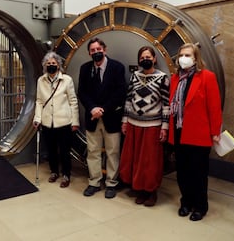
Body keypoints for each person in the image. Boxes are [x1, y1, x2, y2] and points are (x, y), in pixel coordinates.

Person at [168, 43, 222, 221]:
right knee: (182, 172)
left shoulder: (207, 77)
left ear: (196, 58)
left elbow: (214, 107)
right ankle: (186, 202)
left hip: (199, 134)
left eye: (188, 55)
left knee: (198, 173)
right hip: (179, 132)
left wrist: (215, 131)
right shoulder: (175, 78)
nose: (184, 58)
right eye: (181, 55)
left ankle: (200, 206)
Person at [120, 46, 170, 206]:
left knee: (150, 161)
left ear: (154, 59)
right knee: (135, 159)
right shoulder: (135, 76)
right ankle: (139, 189)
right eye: (142, 58)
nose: (145, 60)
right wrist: (125, 121)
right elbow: (128, 99)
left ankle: (151, 191)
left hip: (153, 126)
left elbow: (166, 104)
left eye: (148, 57)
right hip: (134, 124)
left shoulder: (163, 78)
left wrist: (164, 126)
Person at [78, 37, 126, 199]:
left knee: (113, 152)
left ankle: (112, 183)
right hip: (92, 118)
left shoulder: (117, 67)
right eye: (93, 50)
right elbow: (82, 92)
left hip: (111, 117)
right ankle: (94, 182)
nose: (96, 52)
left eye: (99, 49)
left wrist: (103, 109)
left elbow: (120, 93)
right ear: (89, 53)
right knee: (93, 151)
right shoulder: (85, 68)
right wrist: (92, 108)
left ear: (105, 50)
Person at [33, 51, 80, 188]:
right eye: (48, 64)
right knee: (51, 150)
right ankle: (54, 172)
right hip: (48, 122)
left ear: (58, 65)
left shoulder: (67, 80)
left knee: (65, 150)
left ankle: (66, 174)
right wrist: (37, 118)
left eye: (53, 63)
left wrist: (75, 121)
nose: (51, 65)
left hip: (64, 122)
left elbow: (73, 101)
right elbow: (39, 101)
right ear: (44, 66)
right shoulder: (41, 81)